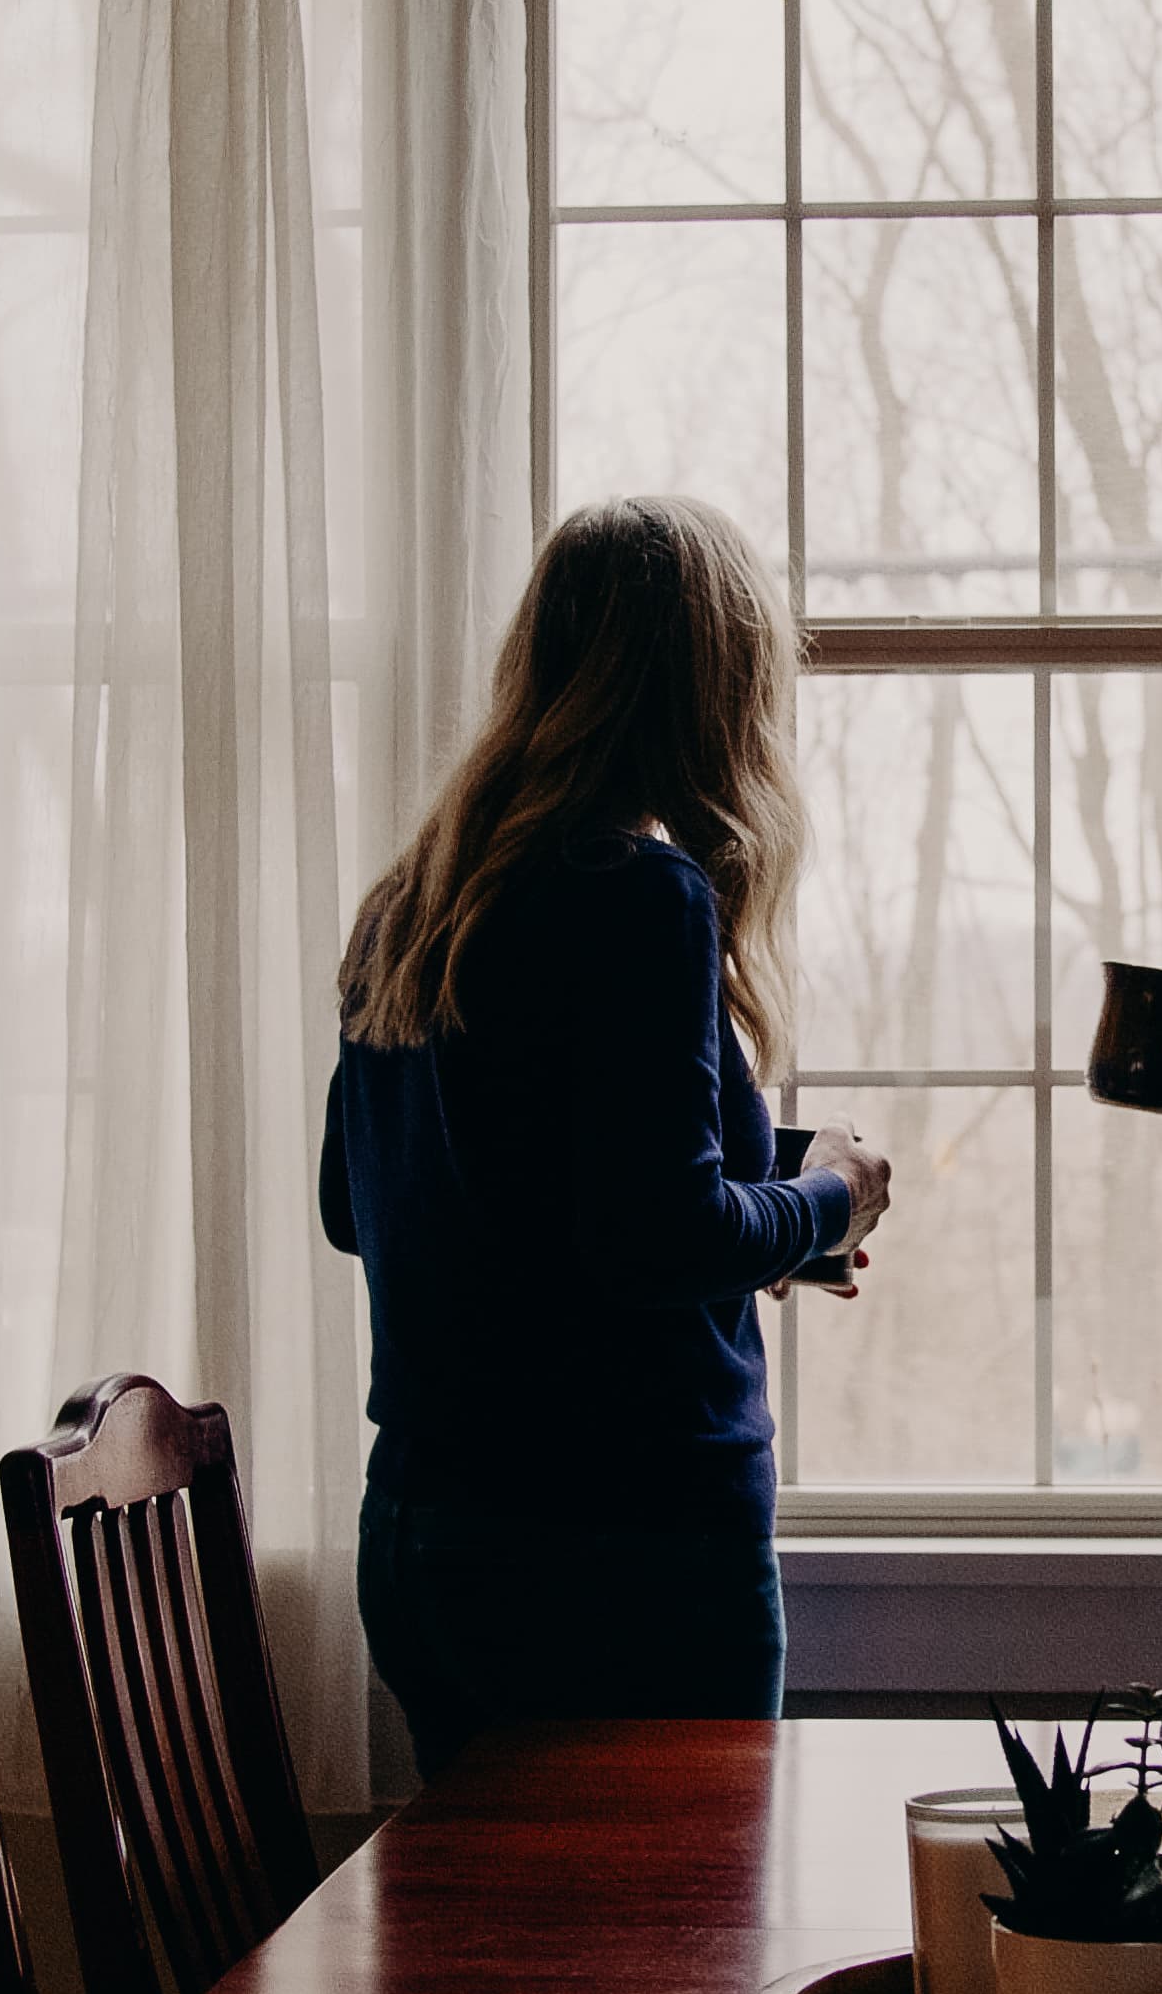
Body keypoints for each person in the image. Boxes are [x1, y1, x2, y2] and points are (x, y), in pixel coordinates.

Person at [321, 496, 891, 1775]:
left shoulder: (411, 904)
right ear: (718, 689)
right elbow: (657, 1231)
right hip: (626, 1547)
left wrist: (753, 1201)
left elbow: (362, 1205)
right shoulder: (638, 893)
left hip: (427, 1534)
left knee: (514, 1966)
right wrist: (828, 1197)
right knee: (676, 1955)